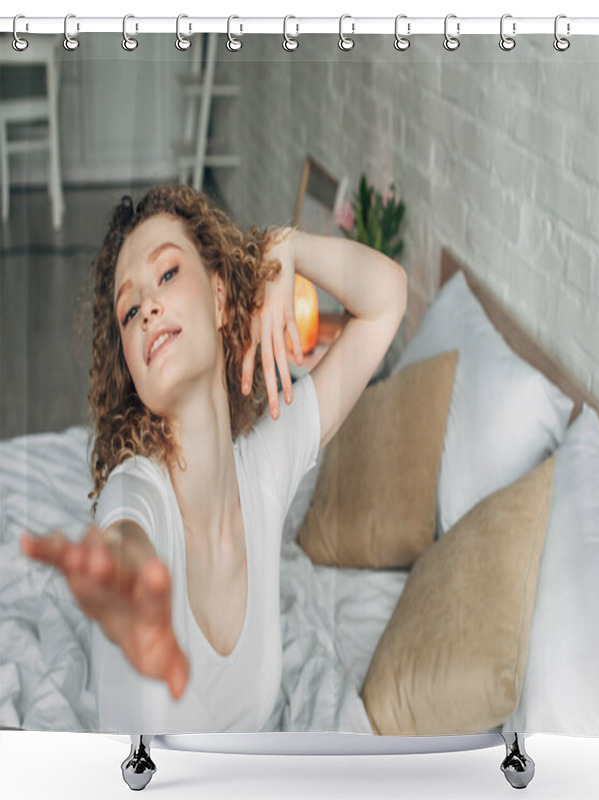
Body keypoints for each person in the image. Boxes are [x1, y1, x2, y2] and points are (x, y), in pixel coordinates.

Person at [20, 184, 407, 732]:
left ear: (222, 299)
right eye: (129, 311)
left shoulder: (264, 466)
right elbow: (126, 533)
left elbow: (387, 300)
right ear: (131, 368)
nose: (148, 308)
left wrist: (288, 247)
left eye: (169, 273)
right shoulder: (135, 494)